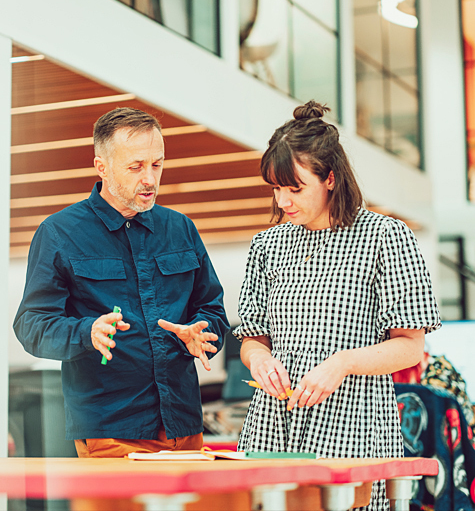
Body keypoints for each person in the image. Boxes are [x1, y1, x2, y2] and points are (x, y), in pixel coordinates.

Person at [233, 100, 441, 510]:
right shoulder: (267, 244)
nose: (283, 202)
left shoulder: (385, 237)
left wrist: (341, 363)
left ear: (330, 179)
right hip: (272, 429)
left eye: (295, 189)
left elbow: (410, 346)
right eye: (276, 189)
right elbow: (252, 339)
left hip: (354, 425)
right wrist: (259, 360)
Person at [14, 107, 229, 458]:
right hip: (110, 432)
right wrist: (87, 333)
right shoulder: (59, 233)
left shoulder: (181, 229)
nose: (150, 179)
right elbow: (31, 325)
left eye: (157, 164)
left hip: (184, 428)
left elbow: (212, 310)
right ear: (102, 167)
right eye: (136, 166)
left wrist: (201, 333)